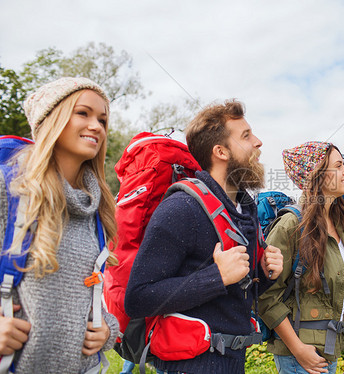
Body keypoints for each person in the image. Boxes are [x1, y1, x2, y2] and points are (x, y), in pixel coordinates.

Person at [124, 99, 283, 374]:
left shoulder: (245, 208)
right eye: (246, 136)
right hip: (192, 364)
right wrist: (217, 277)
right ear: (220, 151)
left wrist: (265, 274)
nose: (258, 142)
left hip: (233, 361)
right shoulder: (181, 208)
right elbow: (138, 298)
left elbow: (240, 291)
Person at [0, 77, 120, 373]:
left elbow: (84, 295)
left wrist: (107, 330)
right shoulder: (11, 189)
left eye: (102, 120)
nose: (97, 127)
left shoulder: (96, 208)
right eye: (83, 113)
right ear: (50, 120)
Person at [259, 141, 344, 374]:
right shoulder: (291, 226)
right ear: (317, 176)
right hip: (300, 357)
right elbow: (267, 295)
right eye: (338, 166)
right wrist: (298, 350)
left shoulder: (342, 224)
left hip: (330, 349)